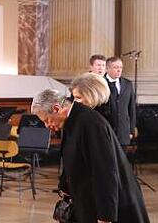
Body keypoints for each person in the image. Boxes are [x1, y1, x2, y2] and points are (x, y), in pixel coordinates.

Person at [31, 89, 150, 223]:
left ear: (57, 108)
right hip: (86, 201)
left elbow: (105, 171)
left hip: (110, 206)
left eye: (47, 120)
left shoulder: (90, 123)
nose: (47, 126)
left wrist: (105, 217)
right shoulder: (72, 120)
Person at [102, 57, 136, 146]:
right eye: (116, 67)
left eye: (120, 67)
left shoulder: (128, 84)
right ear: (107, 68)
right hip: (105, 130)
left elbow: (131, 108)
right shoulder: (100, 83)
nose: (119, 70)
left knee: (122, 159)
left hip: (123, 132)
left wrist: (131, 130)